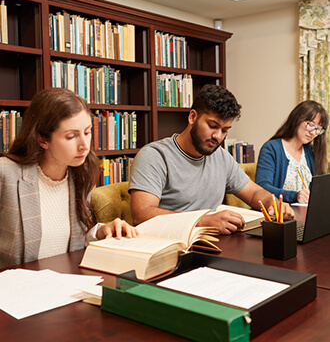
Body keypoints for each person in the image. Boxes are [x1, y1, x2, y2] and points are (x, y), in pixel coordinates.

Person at [0, 88, 138, 268]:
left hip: (66, 284)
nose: (84, 146)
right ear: (42, 139)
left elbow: (74, 241)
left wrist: (102, 231)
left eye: (87, 132)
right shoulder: (6, 173)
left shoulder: (80, 173)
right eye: (71, 136)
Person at [129, 84, 294, 234]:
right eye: (213, 126)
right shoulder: (154, 156)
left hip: (209, 244)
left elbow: (254, 193)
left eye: (225, 130)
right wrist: (203, 221)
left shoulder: (220, 156)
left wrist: (272, 203)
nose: (218, 137)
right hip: (168, 246)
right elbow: (142, 214)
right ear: (193, 117)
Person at [256, 100, 329, 204]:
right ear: (297, 119)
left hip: (305, 214)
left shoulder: (310, 152)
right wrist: (295, 196)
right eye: (310, 124)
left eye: (318, 129)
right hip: (280, 214)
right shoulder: (271, 148)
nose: (313, 132)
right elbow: (262, 188)